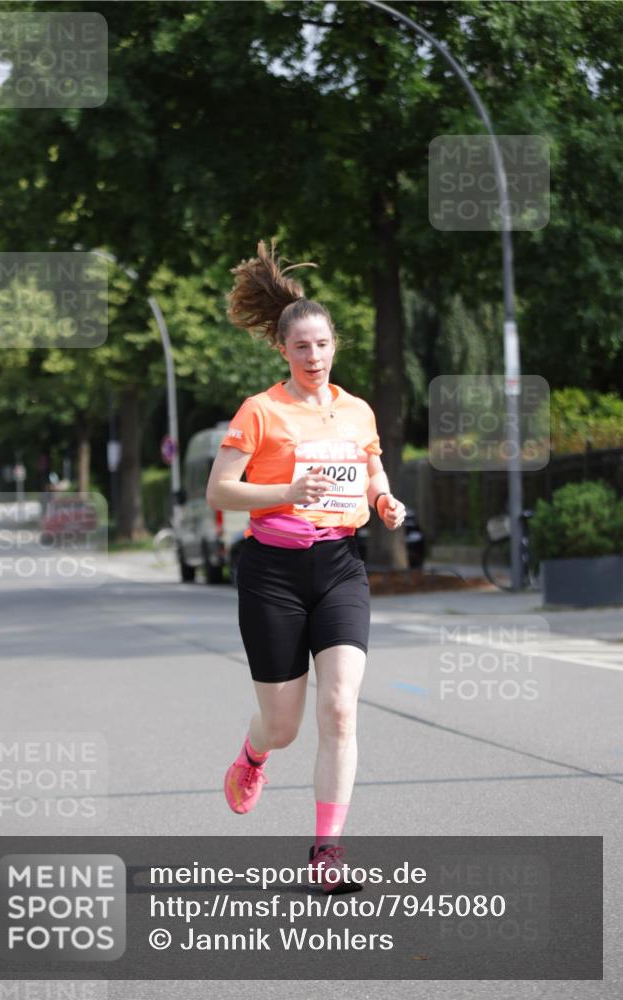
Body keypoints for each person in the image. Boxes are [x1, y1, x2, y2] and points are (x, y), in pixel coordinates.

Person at [206, 240, 405, 893]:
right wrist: (286, 494)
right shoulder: (260, 412)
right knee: (285, 725)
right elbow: (220, 492)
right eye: (301, 348)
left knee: (341, 708)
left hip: (341, 564)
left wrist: (382, 498)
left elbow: (371, 463)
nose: (313, 357)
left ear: (334, 345)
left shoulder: (356, 410)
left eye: (322, 345)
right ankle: (253, 754)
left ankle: (326, 850)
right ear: (282, 351)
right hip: (273, 572)